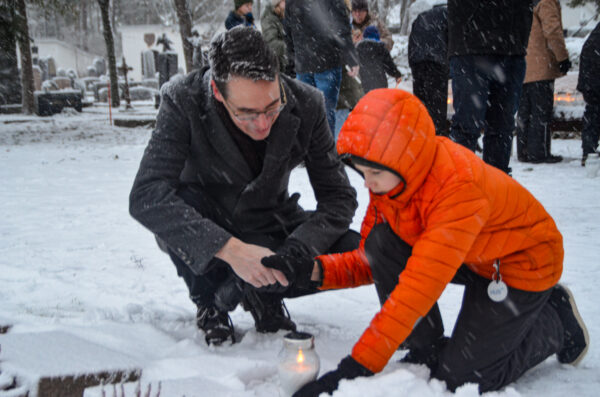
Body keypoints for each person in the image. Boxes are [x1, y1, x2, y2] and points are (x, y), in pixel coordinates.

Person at [261, 89, 589, 396]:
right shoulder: (392, 181)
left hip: (520, 265)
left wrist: (355, 369)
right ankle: (425, 346)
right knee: (382, 241)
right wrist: (313, 271)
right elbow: (371, 258)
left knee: (464, 378)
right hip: (473, 255)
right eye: (361, 171)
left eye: (373, 172)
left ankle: (557, 323)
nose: (368, 183)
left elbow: (417, 288)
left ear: (404, 158)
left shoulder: (457, 189)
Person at [129, 27, 359, 346]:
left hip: (269, 223)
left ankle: (262, 293)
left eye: (271, 107)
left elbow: (339, 198)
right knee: (177, 206)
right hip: (207, 221)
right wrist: (233, 251)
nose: (263, 124)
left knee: (357, 249)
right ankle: (210, 301)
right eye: (247, 114)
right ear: (218, 92)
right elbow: (146, 195)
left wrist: (296, 252)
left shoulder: (307, 103)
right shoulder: (183, 99)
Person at [448, 0, 533, 174]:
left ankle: (497, 186)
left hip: (511, 44)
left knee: (501, 126)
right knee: (468, 125)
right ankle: (458, 184)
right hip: (472, 43)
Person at [284, 0, 360, 135]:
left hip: (304, 62)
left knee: (307, 114)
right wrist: (352, 59)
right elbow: (342, 29)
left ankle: (310, 151)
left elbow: (288, 32)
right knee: (326, 114)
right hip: (327, 61)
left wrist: (291, 62)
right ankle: (325, 152)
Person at [516, 0, 570, 164]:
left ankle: (524, 151)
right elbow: (552, 30)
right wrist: (563, 58)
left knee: (524, 113)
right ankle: (539, 152)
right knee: (541, 112)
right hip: (541, 65)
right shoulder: (545, 2)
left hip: (523, 65)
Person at [408, 1, 449, 136]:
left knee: (421, 104)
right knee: (437, 106)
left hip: (417, 61)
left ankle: (420, 136)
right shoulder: (450, 17)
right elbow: (453, 44)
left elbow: (411, 41)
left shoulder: (422, 17)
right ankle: (436, 138)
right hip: (436, 61)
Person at [578, 22, 600, 166]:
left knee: (592, 115)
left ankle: (589, 152)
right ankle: (589, 152)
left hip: (590, 81)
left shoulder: (596, 34)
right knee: (593, 115)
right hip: (594, 79)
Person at [355, 26, 402, 93]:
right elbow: (389, 65)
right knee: (380, 101)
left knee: (369, 100)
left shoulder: (359, 49)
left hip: (366, 82)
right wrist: (397, 74)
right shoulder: (381, 48)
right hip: (380, 82)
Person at [261, 0, 291, 75]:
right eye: (284, 1)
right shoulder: (268, 18)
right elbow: (271, 43)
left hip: (285, 64)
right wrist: (290, 48)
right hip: (276, 67)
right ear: (277, 3)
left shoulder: (283, 14)